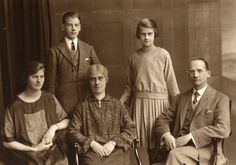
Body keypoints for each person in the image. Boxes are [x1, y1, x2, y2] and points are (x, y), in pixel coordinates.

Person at [154, 57, 231, 165]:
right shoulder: (180, 98)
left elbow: (223, 129)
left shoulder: (220, 98)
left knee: (174, 155)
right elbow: (162, 119)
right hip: (177, 146)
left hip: (204, 149)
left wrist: (191, 136)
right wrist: (167, 135)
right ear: (188, 74)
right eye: (192, 71)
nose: (195, 75)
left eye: (199, 71)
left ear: (208, 73)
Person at [120, 18, 179, 152]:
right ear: (138, 35)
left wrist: (177, 107)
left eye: (150, 34)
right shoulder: (134, 57)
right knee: (144, 145)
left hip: (160, 105)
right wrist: (120, 103)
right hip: (140, 105)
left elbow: (172, 84)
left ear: (155, 34)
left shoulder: (163, 54)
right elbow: (129, 86)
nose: (146, 37)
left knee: (161, 141)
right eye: (143, 34)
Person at [2, 61, 70, 165]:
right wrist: (35, 149)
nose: (39, 81)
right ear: (26, 78)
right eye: (35, 77)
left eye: (41, 76)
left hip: (51, 150)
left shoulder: (49, 99)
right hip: (27, 153)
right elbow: (7, 142)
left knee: (61, 161)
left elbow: (67, 120)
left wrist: (53, 127)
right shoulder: (14, 107)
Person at [68, 64, 136, 165]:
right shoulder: (82, 107)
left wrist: (113, 142)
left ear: (106, 80)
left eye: (100, 78)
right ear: (89, 82)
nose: (97, 83)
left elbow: (131, 129)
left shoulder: (117, 105)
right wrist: (92, 143)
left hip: (115, 151)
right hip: (91, 153)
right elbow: (72, 131)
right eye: (93, 79)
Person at [45, 11, 100, 115]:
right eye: (69, 25)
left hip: (86, 100)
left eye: (76, 25)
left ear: (80, 27)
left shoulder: (88, 49)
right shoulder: (55, 51)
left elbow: (99, 74)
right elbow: (50, 84)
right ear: (63, 27)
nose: (73, 28)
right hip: (64, 103)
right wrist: (52, 106)